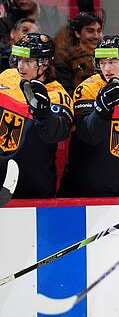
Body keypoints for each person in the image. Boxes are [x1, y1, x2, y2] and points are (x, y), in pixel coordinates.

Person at [58, 35, 119, 197]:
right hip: (81, 190)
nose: (106, 68)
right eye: (102, 62)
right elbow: (88, 134)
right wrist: (102, 109)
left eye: (112, 62)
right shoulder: (86, 89)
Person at [0, 33, 72, 198]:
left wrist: (44, 113)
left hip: (33, 189)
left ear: (45, 63)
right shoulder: (6, 77)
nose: (20, 67)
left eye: (27, 62)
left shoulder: (58, 95)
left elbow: (59, 132)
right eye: (19, 60)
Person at [53, 12, 104, 96]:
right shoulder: (64, 59)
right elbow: (65, 91)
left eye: (99, 31)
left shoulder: (106, 58)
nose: (96, 36)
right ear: (77, 33)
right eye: (90, 31)